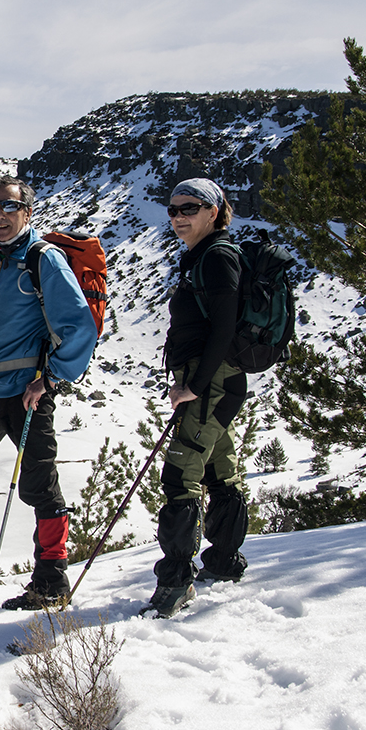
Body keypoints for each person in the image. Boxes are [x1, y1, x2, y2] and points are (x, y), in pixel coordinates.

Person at [0, 175, 97, 610]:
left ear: (27, 211)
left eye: (8, 207)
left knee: (39, 484)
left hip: (28, 392)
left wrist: (51, 379)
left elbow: (80, 325)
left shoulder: (43, 259)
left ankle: (52, 577)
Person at [142, 178, 249, 619]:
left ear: (214, 211)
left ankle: (175, 582)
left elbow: (224, 330)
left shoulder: (218, 256)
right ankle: (224, 561)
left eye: (189, 208)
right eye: (172, 210)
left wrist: (195, 385)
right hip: (211, 380)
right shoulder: (202, 256)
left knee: (179, 474)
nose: (179, 217)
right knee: (218, 468)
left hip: (212, 381)